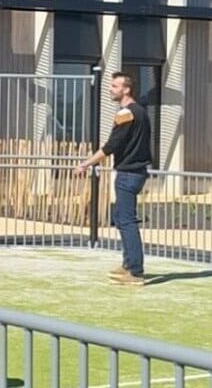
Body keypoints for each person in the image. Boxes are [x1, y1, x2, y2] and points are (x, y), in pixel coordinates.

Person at [75, 72, 152, 286]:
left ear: (126, 90)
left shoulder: (126, 113)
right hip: (136, 172)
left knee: (126, 220)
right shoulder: (142, 112)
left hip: (128, 173)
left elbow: (111, 146)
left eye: (115, 86)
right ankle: (129, 264)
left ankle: (135, 271)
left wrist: (86, 163)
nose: (111, 89)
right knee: (120, 216)